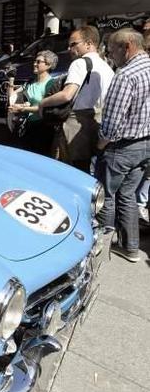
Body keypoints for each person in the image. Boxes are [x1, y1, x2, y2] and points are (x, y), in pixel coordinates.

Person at [96, 29, 150, 263]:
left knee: (107, 194)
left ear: (126, 47)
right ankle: (130, 247)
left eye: (112, 50)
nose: (110, 55)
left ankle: (103, 244)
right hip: (145, 144)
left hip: (123, 146)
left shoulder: (126, 74)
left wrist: (101, 143)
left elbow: (112, 120)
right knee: (127, 195)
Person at [39, 25, 114, 172]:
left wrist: (43, 103)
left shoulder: (80, 63)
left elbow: (67, 94)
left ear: (89, 43)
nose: (69, 49)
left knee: (67, 170)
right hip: (97, 122)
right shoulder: (106, 67)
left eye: (73, 44)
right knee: (85, 170)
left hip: (75, 124)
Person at [8, 51, 58, 155]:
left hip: (41, 128)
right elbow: (12, 98)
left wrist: (23, 109)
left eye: (38, 61)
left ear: (48, 65)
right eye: (35, 61)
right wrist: (11, 80)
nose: (34, 64)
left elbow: (43, 108)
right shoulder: (30, 82)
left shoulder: (51, 84)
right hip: (26, 126)